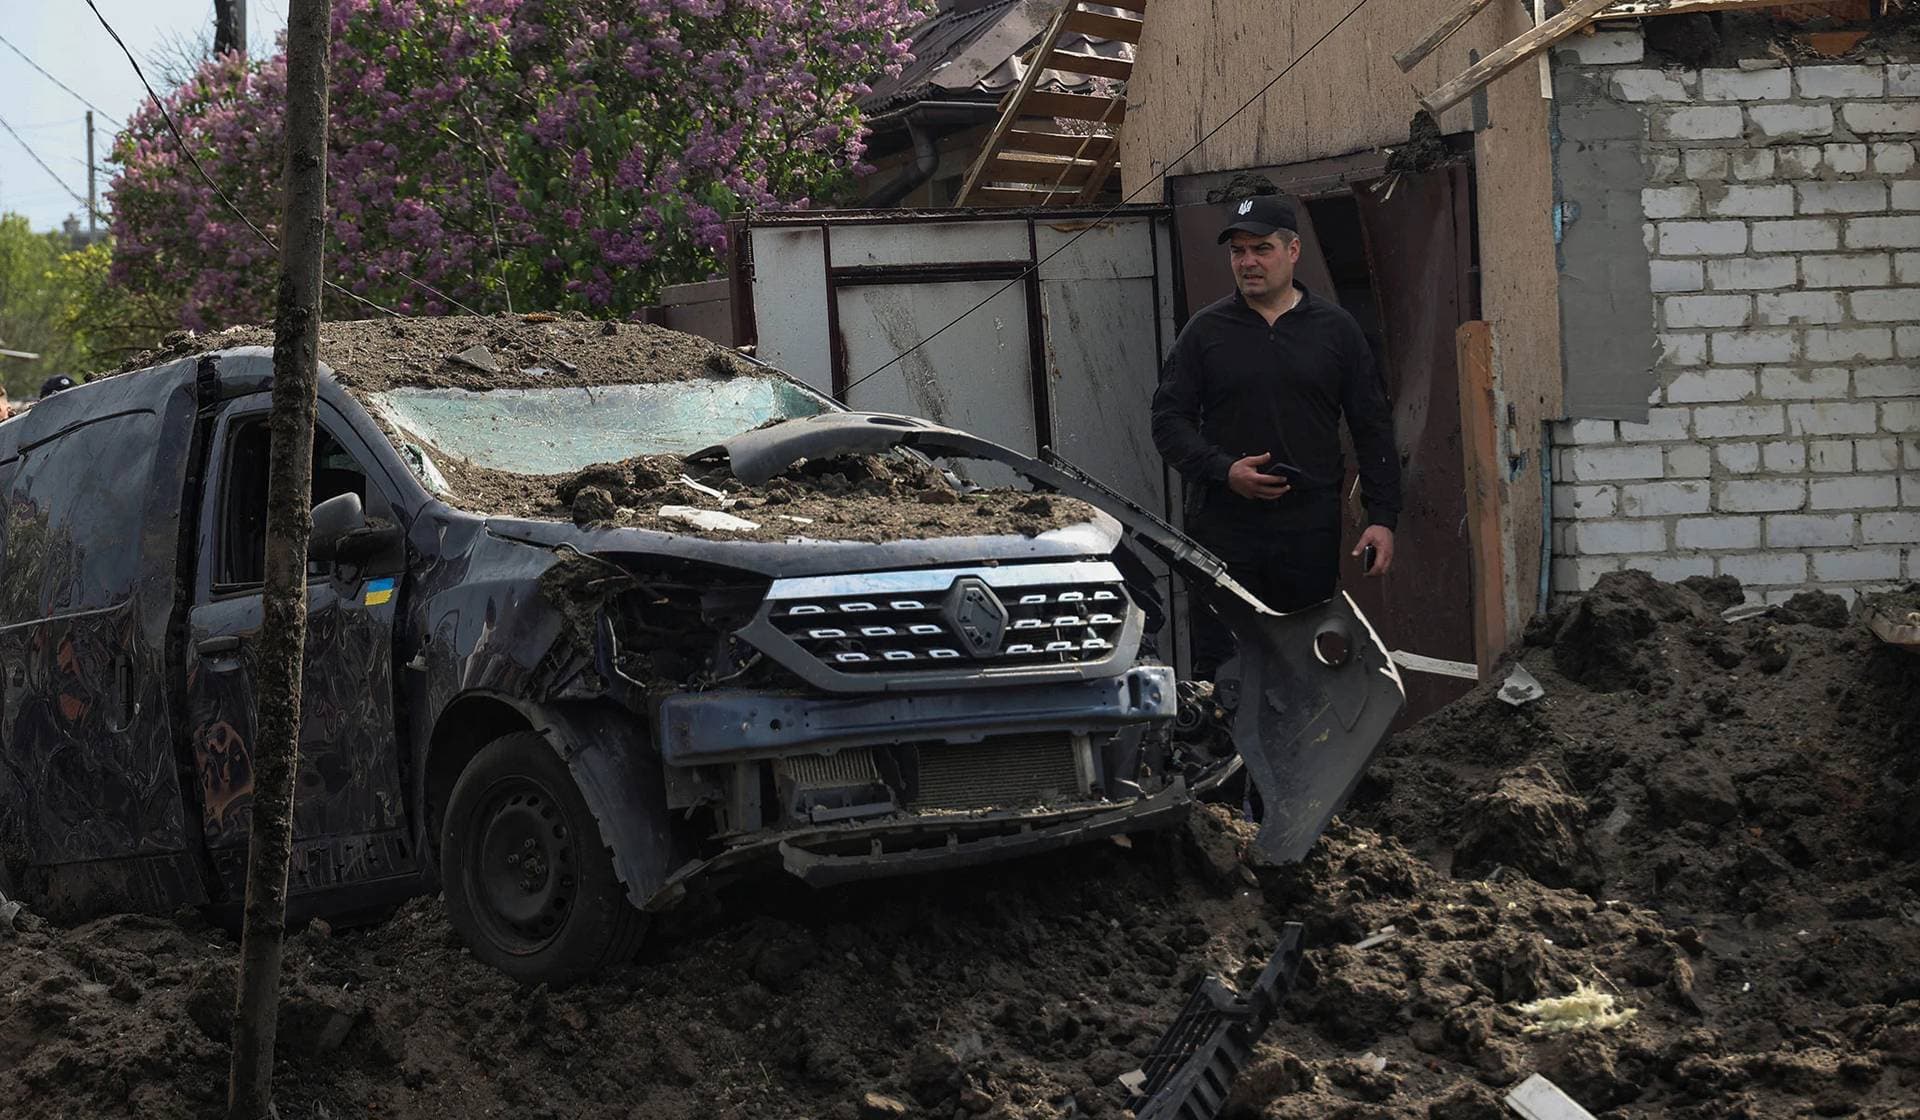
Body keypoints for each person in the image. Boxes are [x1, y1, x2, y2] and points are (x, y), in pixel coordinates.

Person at [1151, 195, 1402, 679]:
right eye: (1238, 251)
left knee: (1302, 661)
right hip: (1225, 528)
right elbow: (1167, 421)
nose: (1248, 262)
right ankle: (1223, 753)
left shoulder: (1336, 330)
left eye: (1261, 249)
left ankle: (1300, 754)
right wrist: (1223, 469)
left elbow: (1371, 426)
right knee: (1223, 664)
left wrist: (1383, 516)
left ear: (1292, 251)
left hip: (1307, 527)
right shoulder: (1205, 332)